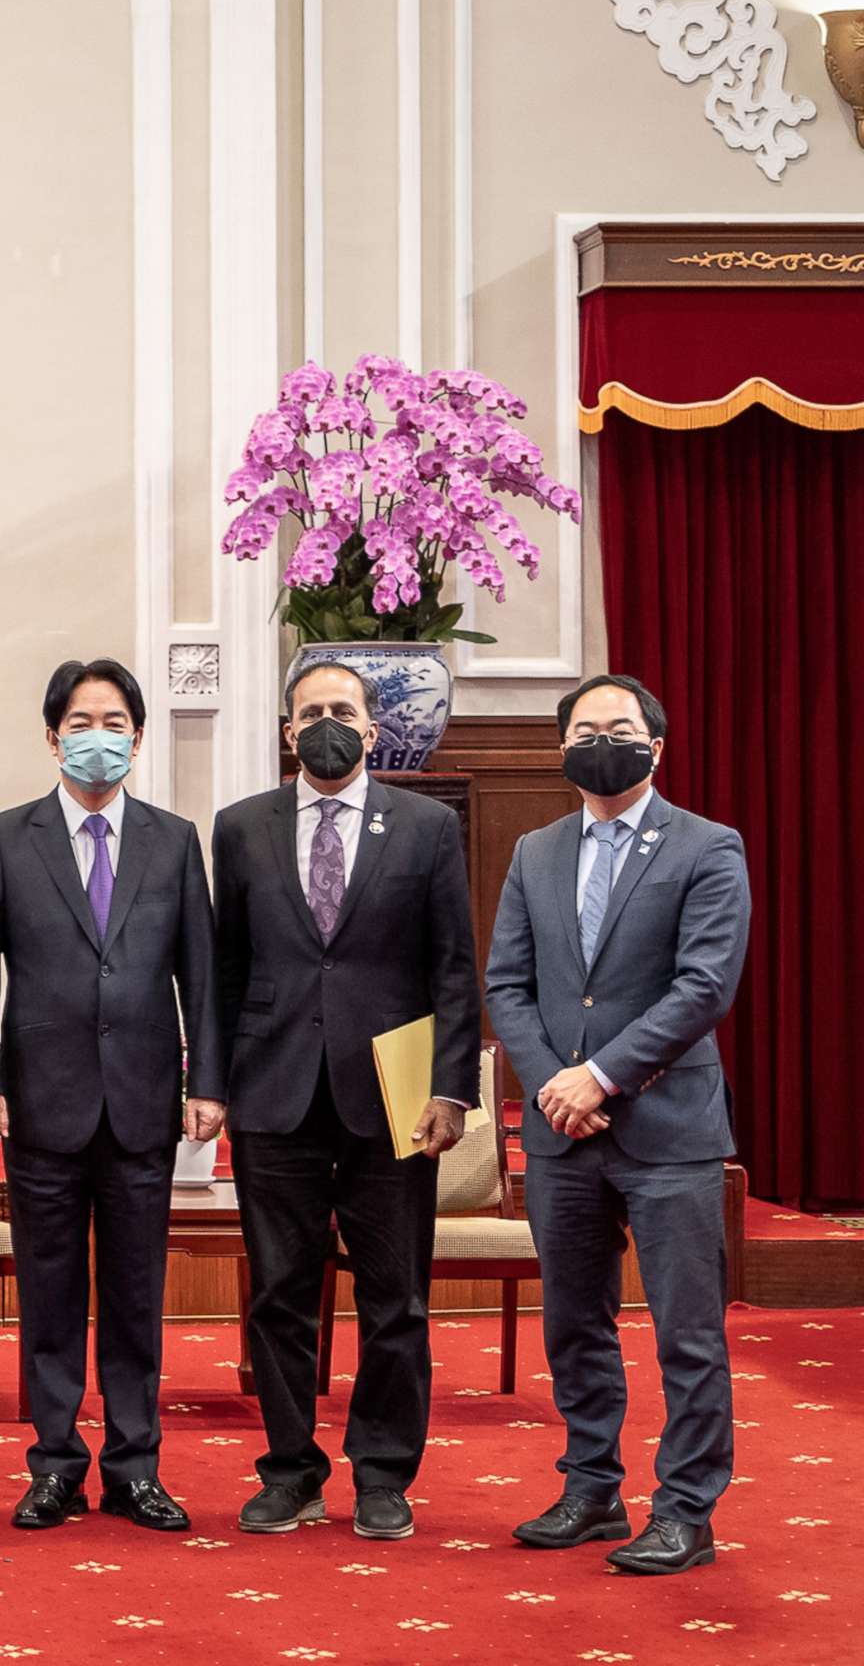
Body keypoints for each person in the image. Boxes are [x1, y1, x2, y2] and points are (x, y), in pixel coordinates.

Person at [199, 660, 476, 1544]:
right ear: (289, 730)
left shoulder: (429, 826)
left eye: (343, 711)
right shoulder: (241, 828)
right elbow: (223, 970)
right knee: (279, 1294)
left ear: (371, 726)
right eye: (310, 711)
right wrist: (213, 1082)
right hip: (273, 1090)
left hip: (392, 1093)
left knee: (396, 1297)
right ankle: (290, 1472)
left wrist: (451, 1088)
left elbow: (451, 968)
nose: (327, 723)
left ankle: (386, 1475)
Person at [486, 674, 748, 1576]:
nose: (605, 739)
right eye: (587, 728)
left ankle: (686, 1508)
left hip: (668, 1129)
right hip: (564, 1137)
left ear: (657, 746)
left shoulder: (710, 848)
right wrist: (557, 1085)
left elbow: (704, 986)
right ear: (563, 749)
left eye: (622, 727)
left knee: (686, 1330)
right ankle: (592, 1486)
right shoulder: (535, 850)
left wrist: (599, 1076)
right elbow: (506, 986)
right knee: (575, 1324)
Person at [0, 658, 215, 1534]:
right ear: (52, 735)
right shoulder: (5, 836)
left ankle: (137, 1466)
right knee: (52, 1294)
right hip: (39, 1101)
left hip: (144, 1100)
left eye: (113, 721)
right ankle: (56, 1464)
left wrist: (207, 1082)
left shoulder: (174, 841)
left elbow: (201, 975)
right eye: (79, 720)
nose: (95, 735)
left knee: (138, 1295)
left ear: (136, 738)